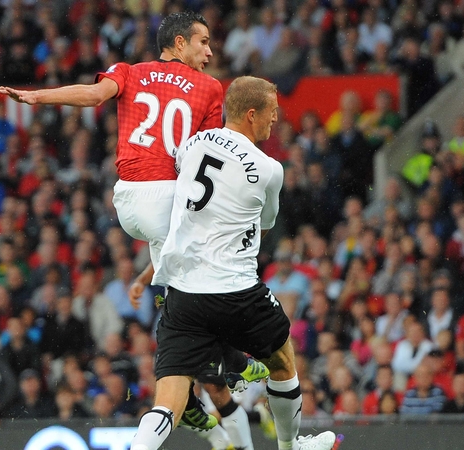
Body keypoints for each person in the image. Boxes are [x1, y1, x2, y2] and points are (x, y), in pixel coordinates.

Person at [0, 11, 267, 447]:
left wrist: (37, 98)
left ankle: (210, 384)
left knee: (183, 287)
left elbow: (91, 95)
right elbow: (206, 158)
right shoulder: (211, 88)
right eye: (202, 43)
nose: (210, 52)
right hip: (170, 199)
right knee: (214, 280)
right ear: (179, 44)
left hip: (129, 200)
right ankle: (226, 363)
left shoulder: (131, 71)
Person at [131, 76, 338, 450]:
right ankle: (291, 447)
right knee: (282, 361)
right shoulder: (269, 168)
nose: (275, 121)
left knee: (168, 402)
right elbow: (268, 221)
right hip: (235, 291)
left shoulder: (193, 143)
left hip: (184, 294)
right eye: (272, 114)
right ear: (252, 114)